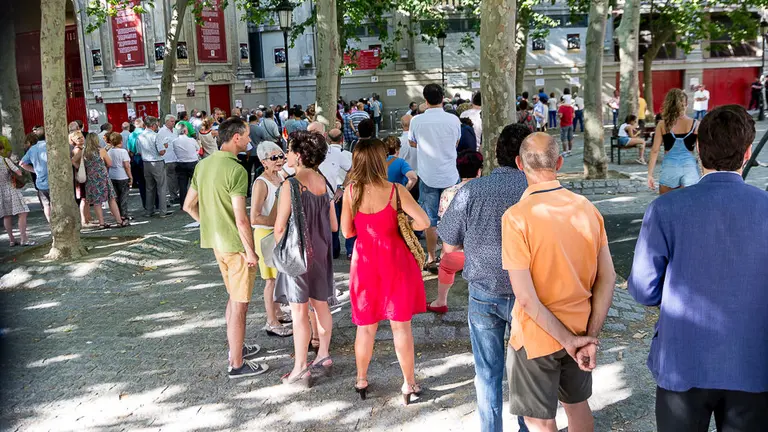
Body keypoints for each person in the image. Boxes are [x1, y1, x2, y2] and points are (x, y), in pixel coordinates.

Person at [628, 105, 768, 431]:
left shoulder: (664, 209)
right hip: (753, 361)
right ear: (747, 152)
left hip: (683, 359)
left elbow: (644, 290)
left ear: (699, 149)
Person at [502, 132, 616, 432]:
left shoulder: (516, 217)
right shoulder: (587, 209)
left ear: (519, 164)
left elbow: (525, 297)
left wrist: (569, 342)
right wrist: (587, 337)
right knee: (577, 407)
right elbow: (608, 277)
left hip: (535, 336)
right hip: (580, 325)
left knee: (539, 420)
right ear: (560, 163)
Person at [438, 125, 532, 432]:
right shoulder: (536, 191)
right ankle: (527, 427)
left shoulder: (470, 191)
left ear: (495, 154)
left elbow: (449, 244)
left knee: (487, 373)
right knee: (527, 372)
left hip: (483, 290)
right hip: (528, 294)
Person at [340, 138, 430, 404]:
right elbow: (423, 222)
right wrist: (404, 225)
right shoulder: (396, 190)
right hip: (394, 260)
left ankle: (361, 379)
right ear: (381, 161)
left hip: (365, 261)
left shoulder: (351, 191)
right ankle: (408, 384)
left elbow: (346, 231)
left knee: (365, 328)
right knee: (401, 327)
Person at [183, 117, 269, 378]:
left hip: (216, 242)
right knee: (240, 304)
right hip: (237, 246)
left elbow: (188, 206)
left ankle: (236, 347)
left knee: (233, 299)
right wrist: (251, 250)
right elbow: (241, 218)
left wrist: (210, 223)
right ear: (236, 138)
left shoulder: (203, 165)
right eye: (246, 136)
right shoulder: (236, 170)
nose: (248, 140)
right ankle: (237, 363)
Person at [273, 130, 337, 387]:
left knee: (299, 311)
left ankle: (300, 368)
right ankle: (323, 354)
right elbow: (333, 226)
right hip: (321, 251)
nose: (286, 155)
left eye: (288, 150)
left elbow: (279, 227)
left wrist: (280, 252)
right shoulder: (324, 182)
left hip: (298, 254)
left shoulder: (290, 184)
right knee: (321, 304)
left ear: (298, 155)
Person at [408, 83, 461, 272]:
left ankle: (431, 258)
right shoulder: (454, 120)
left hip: (427, 175)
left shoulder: (416, 121)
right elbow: (456, 142)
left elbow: (412, 143)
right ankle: (448, 258)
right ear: (443, 98)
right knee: (451, 219)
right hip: (450, 174)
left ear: (425, 99)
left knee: (430, 221)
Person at [424, 150, 483, 314]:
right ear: (480, 170)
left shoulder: (448, 193)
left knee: (446, 266)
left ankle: (441, 301)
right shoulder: (488, 191)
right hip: (483, 252)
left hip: (456, 253)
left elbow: (446, 227)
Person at [250, 141, 293, 338]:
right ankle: (271, 321)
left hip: (279, 233)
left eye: (281, 156)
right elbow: (255, 217)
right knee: (270, 280)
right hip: (266, 234)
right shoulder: (261, 183)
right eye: (273, 158)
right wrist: (276, 221)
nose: (279, 161)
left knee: (278, 277)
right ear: (263, 161)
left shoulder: (281, 177)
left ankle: (277, 312)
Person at [647, 89, 700, 194]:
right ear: (686, 104)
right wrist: (705, 174)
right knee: (688, 205)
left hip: (669, 168)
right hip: (690, 169)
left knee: (666, 205)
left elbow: (654, 150)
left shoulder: (662, 124)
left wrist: (650, 174)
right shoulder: (696, 124)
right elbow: (701, 152)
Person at [318, 129, 354, 259]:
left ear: (327, 138)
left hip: (335, 191)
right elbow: (353, 171)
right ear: (342, 139)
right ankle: (350, 250)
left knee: (334, 222)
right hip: (343, 190)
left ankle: (334, 250)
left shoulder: (335, 154)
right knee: (347, 220)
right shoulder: (348, 154)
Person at [82, 133, 125, 228]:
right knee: (111, 199)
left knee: (97, 202)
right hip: (102, 178)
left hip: (91, 179)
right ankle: (119, 221)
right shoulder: (101, 151)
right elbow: (109, 163)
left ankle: (101, 223)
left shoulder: (84, 152)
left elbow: (76, 162)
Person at [137, 116, 171, 217]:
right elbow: (161, 152)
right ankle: (162, 211)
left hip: (146, 163)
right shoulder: (156, 136)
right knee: (161, 187)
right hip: (157, 162)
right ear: (153, 125)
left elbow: (138, 151)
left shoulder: (140, 136)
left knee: (149, 188)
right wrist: (165, 147)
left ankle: (149, 210)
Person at [0, 138, 31, 246]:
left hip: (0, 193)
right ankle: (24, 239)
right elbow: (19, 173)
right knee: (22, 213)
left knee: (6, 216)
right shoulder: (5, 160)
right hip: (11, 188)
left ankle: (12, 240)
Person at [20, 129, 51, 222]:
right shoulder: (50, 146)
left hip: (40, 181)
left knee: (46, 205)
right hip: (52, 179)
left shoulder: (32, 149)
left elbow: (22, 163)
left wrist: (35, 170)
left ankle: (51, 224)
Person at [106, 132, 133, 224]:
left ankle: (118, 214)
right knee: (124, 197)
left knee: (116, 196)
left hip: (112, 175)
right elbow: (126, 165)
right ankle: (124, 215)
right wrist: (130, 176)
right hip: (122, 175)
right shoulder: (123, 151)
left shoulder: (109, 151)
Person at [173, 122, 200, 206]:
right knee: (194, 184)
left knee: (182, 185)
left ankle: (183, 203)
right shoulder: (191, 140)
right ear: (185, 130)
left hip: (180, 163)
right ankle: (196, 202)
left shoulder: (175, 141)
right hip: (192, 162)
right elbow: (198, 148)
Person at [70, 131, 92, 226]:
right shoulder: (78, 150)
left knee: (86, 198)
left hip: (83, 175)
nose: (81, 139)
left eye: (82, 137)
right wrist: (79, 168)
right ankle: (84, 219)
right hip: (81, 176)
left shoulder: (82, 148)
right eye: (78, 138)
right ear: (74, 140)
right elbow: (73, 161)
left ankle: (88, 218)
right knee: (83, 198)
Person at [158, 115, 180, 204]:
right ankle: (173, 196)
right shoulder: (161, 131)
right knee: (170, 177)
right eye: (171, 121)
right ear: (166, 121)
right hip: (168, 158)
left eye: (174, 121)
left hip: (177, 157)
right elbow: (159, 144)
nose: (173, 123)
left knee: (177, 177)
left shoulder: (175, 131)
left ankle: (177, 194)